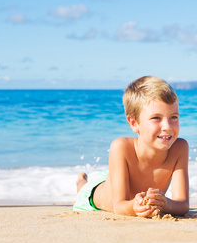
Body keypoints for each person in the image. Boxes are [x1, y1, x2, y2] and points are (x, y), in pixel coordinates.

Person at [73, 76, 189, 217]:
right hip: (95, 194)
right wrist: (133, 207)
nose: (167, 127)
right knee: (83, 188)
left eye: (174, 117)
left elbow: (183, 205)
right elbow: (119, 207)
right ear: (134, 123)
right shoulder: (121, 147)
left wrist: (166, 203)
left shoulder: (179, 148)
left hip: (116, 177)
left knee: (109, 178)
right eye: (156, 118)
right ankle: (81, 179)